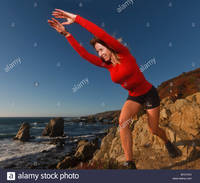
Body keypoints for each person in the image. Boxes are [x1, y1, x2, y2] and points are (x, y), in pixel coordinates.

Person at [47, 9, 181, 169]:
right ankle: (130, 163)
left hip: (149, 93)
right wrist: (66, 34)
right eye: (97, 51)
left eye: (102, 49)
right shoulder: (106, 65)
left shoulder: (124, 54)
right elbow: (83, 54)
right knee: (123, 123)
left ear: (110, 47)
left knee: (153, 129)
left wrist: (76, 18)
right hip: (134, 97)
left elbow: (99, 33)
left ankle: (167, 142)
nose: (100, 54)